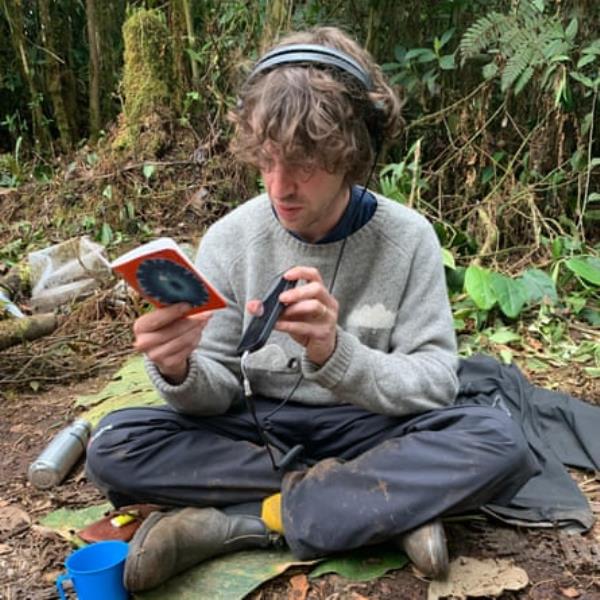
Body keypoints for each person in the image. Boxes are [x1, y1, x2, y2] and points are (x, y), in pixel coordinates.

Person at [85, 26, 539, 592]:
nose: (280, 186)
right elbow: (217, 391)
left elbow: (435, 383)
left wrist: (335, 352)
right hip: (257, 429)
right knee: (112, 445)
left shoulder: (409, 238)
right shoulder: (231, 238)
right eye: (267, 159)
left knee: (499, 440)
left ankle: (248, 521)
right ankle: (379, 509)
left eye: (304, 162)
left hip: (372, 428)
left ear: (354, 153)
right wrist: (179, 371)